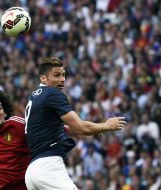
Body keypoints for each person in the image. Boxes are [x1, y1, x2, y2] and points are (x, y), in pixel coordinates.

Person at [24, 57, 127, 190]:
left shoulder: (34, 97)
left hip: (32, 172)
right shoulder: (52, 94)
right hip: (48, 167)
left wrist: (96, 129)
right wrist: (107, 126)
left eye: (63, 75)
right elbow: (80, 127)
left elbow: (68, 129)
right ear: (43, 78)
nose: (62, 80)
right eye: (56, 75)